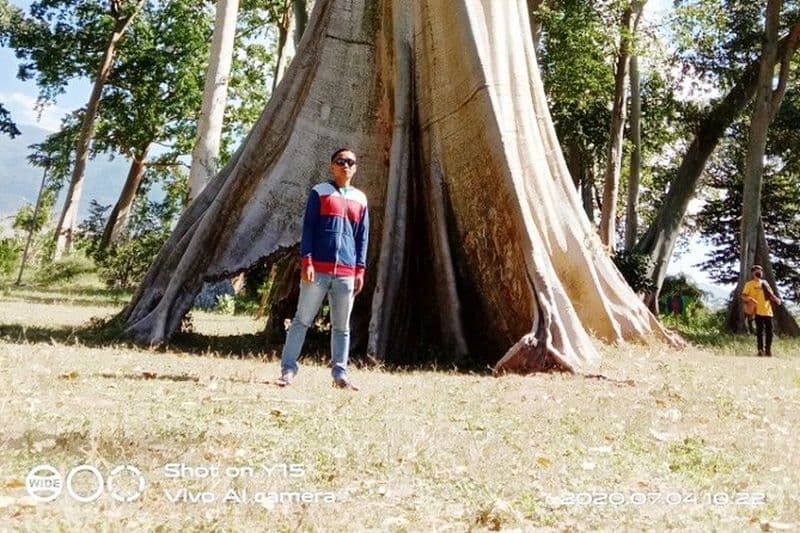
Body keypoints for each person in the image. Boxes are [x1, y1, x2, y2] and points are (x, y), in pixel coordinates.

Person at [276, 148, 369, 389]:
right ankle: (288, 369)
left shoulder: (360, 199)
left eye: (350, 162)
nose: (345, 166)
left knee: (341, 326)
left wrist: (360, 269)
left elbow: (362, 238)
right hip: (317, 269)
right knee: (302, 320)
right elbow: (308, 228)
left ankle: (340, 374)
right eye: (340, 161)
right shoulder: (320, 192)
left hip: (346, 273)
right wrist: (306, 260)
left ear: (355, 168)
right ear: (332, 166)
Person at [741, 264, 781, 357]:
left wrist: (776, 299)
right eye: (757, 271)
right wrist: (750, 299)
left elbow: (771, 294)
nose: (759, 272)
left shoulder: (765, 283)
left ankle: (768, 350)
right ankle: (760, 350)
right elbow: (743, 296)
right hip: (757, 311)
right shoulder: (749, 284)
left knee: (770, 332)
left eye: (760, 271)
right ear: (753, 273)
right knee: (759, 332)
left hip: (768, 311)